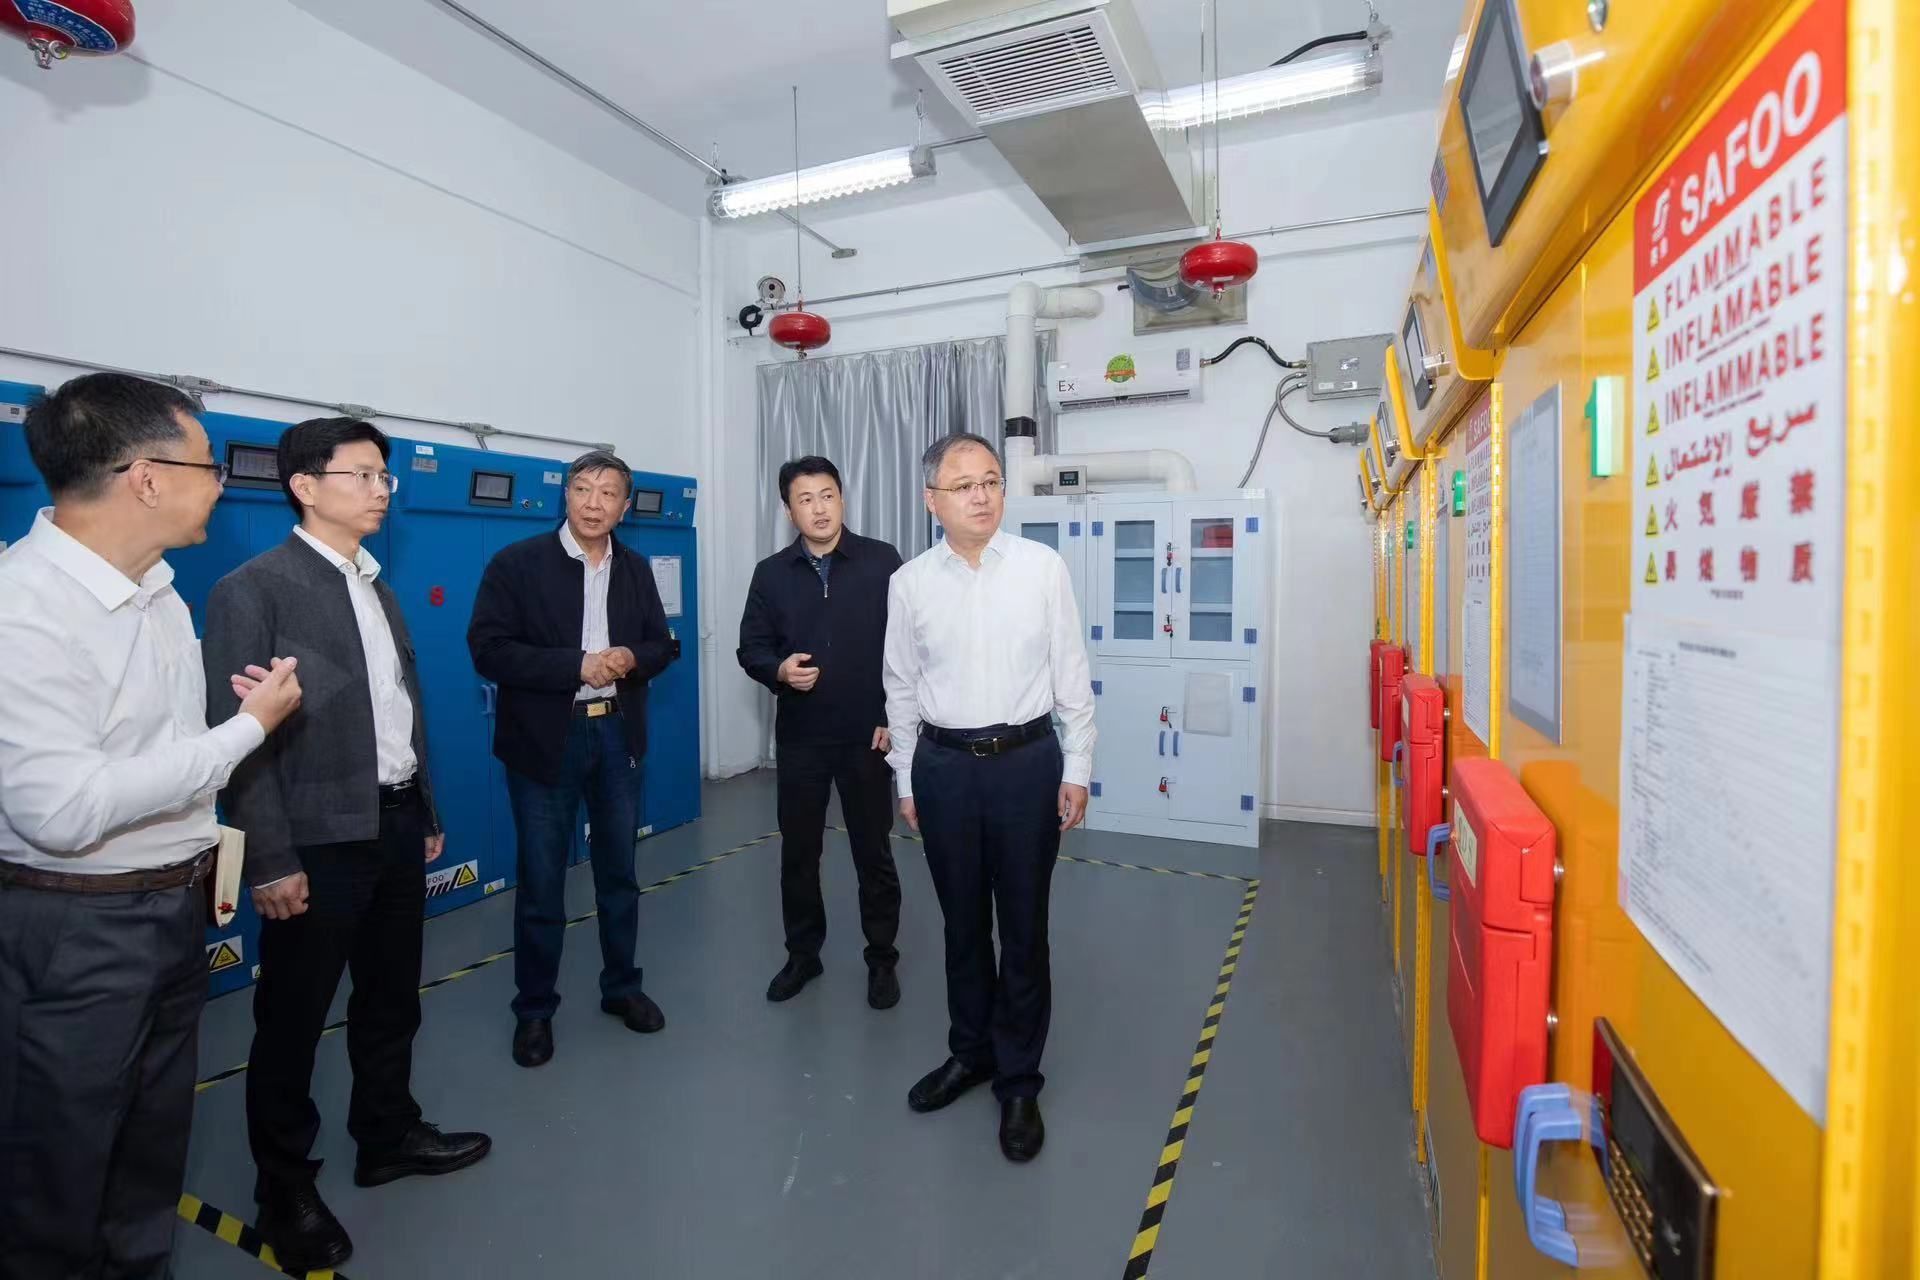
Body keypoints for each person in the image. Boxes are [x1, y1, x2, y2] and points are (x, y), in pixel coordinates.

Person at [0, 372, 302, 1280]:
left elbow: (153, 749)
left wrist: (225, 725)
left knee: (147, 1152)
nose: (221, 484)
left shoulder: (160, 592)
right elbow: (62, 810)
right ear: (146, 476)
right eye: (209, 465)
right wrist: (244, 734)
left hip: (169, 910)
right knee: (58, 1170)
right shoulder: (24, 607)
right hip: (78, 927)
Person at [202, 418, 489, 1273]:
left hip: (394, 823)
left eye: (383, 477)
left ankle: (388, 1134)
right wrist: (270, 858)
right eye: (361, 475)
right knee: (292, 1020)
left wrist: (423, 807)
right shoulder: (253, 590)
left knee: (392, 997)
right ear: (304, 486)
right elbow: (239, 742)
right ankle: (284, 1188)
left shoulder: (375, 586)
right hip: (315, 842)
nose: (380, 491)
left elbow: (399, 711)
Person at [883, 431, 1094, 1163]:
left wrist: (1077, 767)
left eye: (992, 481)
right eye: (963, 485)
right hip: (943, 768)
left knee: (1024, 928)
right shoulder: (910, 583)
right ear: (932, 500)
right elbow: (900, 687)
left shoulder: (1041, 568)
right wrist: (908, 777)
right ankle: (969, 1052)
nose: (981, 496)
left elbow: (1072, 674)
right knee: (962, 924)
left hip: (1026, 764)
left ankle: (1019, 1081)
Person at [468, 449, 677, 1070]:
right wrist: (575, 666)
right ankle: (534, 1010)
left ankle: (622, 988)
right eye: (583, 489)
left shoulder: (635, 569)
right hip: (545, 743)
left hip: (616, 736)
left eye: (608, 493)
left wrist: (631, 658)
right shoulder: (517, 564)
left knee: (619, 874)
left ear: (624, 506)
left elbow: (662, 645)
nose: (594, 503)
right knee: (541, 882)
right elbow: (488, 649)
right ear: (566, 495)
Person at [738, 456, 904, 1008]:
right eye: (805, 499)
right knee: (799, 854)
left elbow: (910, 647)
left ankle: (881, 959)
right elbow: (751, 648)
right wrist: (779, 670)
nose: (819, 508)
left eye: (827, 495)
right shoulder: (770, 574)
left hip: (868, 735)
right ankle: (802, 956)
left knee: (873, 853)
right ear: (789, 511)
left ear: (842, 499)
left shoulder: (882, 562)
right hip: (802, 736)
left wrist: (895, 717)